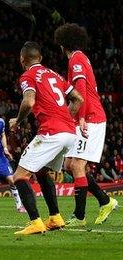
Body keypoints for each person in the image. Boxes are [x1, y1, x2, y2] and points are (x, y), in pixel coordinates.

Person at [9, 41, 84, 235]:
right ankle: (55, 218)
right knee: (42, 172)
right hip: (69, 132)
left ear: (22, 59)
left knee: (19, 176)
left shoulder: (27, 75)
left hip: (52, 131)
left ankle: (35, 222)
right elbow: (78, 98)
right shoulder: (55, 75)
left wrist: (17, 121)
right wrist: (66, 117)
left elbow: (29, 101)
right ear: (40, 58)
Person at [54, 23, 118, 227]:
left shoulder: (77, 59)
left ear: (63, 44)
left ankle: (79, 216)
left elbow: (80, 89)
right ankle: (105, 201)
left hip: (91, 117)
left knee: (78, 165)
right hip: (85, 116)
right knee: (69, 166)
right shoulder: (79, 58)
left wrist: (80, 118)